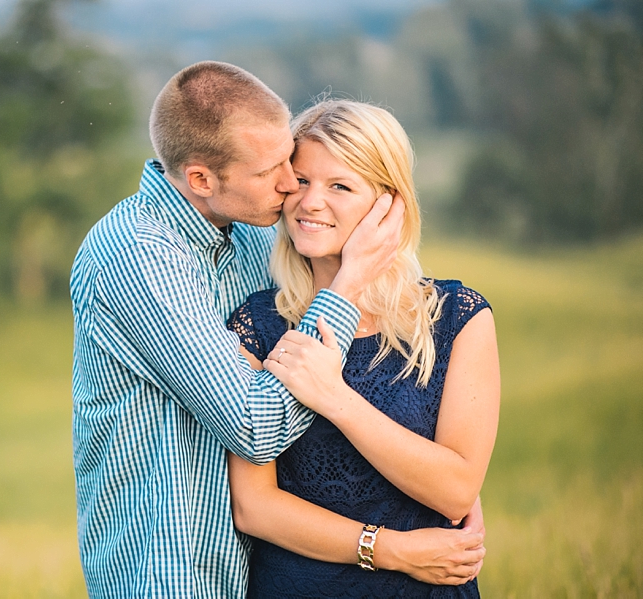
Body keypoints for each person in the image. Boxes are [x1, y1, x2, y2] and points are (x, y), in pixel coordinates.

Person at [70, 61, 485, 598]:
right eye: (275, 172)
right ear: (201, 179)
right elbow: (256, 427)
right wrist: (351, 283)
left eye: (291, 161)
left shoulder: (244, 234)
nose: (293, 188)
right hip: (172, 563)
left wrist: (450, 496)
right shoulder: (138, 256)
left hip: (256, 571)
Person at [225, 99, 500, 597]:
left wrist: (335, 398)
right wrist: (389, 549)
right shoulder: (259, 324)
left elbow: (457, 490)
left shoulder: (456, 318)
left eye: (340, 186)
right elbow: (255, 508)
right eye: (302, 180)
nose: (309, 202)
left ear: (388, 205)